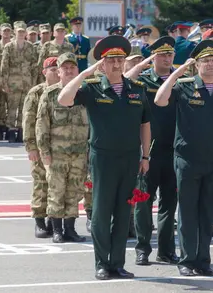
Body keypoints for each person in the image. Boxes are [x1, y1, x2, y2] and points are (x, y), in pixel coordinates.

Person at [57, 35, 151, 280]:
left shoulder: (137, 89)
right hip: (103, 159)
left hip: (130, 158)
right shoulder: (92, 88)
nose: (117, 64)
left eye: (120, 59)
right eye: (111, 60)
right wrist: (86, 72)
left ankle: (117, 263)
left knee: (123, 213)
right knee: (101, 213)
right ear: (102, 63)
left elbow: (145, 124)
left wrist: (146, 155)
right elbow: (64, 98)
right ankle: (102, 263)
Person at [154, 39, 213, 277]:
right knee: (188, 212)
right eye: (205, 61)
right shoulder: (184, 86)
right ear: (197, 64)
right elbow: (160, 99)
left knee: (207, 212)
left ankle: (203, 260)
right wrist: (179, 71)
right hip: (188, 160)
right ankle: (187, 260)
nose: (210, 64)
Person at [124, 36, 180, 266]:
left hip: (174, 149)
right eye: (162, 55)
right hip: (149, 150)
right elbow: (125, 79)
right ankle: (143, 248)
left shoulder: (181, 80)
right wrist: (143, 63)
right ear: (153, 57)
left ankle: (166, 250)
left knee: (169, 203)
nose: (167, 58)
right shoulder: (143, 80)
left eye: (170, 54)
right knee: (144, 202)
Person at [36, 53, 88, 244]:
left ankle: (70, 229)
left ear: (77, 71)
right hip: (57, 154)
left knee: (74, 191)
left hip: (80, 153)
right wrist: (44, 152)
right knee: (56, 191)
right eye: (64, 68)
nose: (68, 71)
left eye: (72, 68)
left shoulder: (85, 93)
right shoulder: (50, 95)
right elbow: (41, 124)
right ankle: (57, 230)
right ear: (58, 72)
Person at [24, 56, 60, 238]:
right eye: (52, 69)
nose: (56, 72)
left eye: (58, 69)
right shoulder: (36, 92)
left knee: (58, 186)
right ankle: (39, 221)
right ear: (44, 72)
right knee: (41, 183)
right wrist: (31, 147)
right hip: (39, 146)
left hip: (60, 146)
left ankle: (52, 221)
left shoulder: (64, 90)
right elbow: (29, 121)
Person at [1, 21, 38, 143]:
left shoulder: (30, 47)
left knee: (24, 109)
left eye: (23, 31)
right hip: (13, 83)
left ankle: (21, 130)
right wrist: (4, 83)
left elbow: (34, 66)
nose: (21, 33)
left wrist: (33, 83)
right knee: (11, 108)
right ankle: (11, 131)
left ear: (26, 33)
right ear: (15, 33)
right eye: (19, 31)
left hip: (27, 83)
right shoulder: (9, 47)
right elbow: (4, 66)